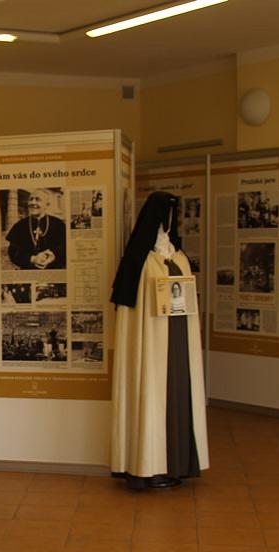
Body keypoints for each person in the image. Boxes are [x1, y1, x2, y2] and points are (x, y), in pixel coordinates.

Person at [111, 191, 209, 490]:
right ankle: (148, 464)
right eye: (164, 214)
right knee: (151, 397)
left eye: (172, 215)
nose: (168, 221)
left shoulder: (179, 256)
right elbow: (131, 309)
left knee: (179, 394)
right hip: (150, 345)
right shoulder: (140, 260)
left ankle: (177, 463)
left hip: (179, 342)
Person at [6, 189, 67, 270]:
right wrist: (32, 259)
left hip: (53, 270)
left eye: (37, 199)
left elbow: (65, 247)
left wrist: (54, 255)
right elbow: (13, 252)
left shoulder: (58, 224)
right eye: (31, 199)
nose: (33, 203)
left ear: (47, 205)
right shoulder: (20, 225)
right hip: (28, 271)